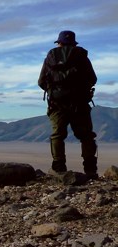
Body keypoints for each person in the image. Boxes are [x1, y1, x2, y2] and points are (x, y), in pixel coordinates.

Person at [38, 30, 98, 179]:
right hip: (79, 104)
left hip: (57, 104)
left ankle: (59, 168)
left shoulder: (50, 57)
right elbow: (93, 78)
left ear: (59, 42)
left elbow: (41, 81)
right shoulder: (82, 56)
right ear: (73, 43)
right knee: (86, 136)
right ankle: (90, 169)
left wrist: (54, 91)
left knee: (58, 135)